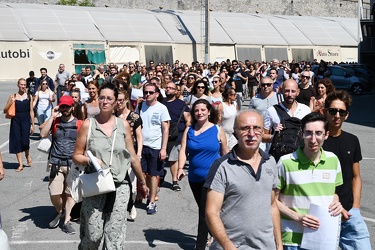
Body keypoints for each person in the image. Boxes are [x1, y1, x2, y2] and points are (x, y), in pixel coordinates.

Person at [73, 84, 148, 249]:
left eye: (109, 98)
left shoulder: (123, 126)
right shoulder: (88, 124)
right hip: (95, 184)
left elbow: (133, 157)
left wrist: (142, 182)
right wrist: (88, 160)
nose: (104, 101)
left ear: (116, 103)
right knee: (93, 235)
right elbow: (76, 155)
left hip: (120, 185)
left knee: (113, 235)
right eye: (102, 98)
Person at [205, 110, 282, 249]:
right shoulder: (222, 166)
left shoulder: (270, 162)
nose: (251, 134)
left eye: (257, 128)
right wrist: (228, 247)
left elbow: (272, 206)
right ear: (235, 131)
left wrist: (279, 244)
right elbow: (211, 213)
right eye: (245, 128)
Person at [276, 112, 344, 249]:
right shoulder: (285, 162)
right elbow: (271, 200)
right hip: (293, 240)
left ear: (326, 135)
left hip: (323, 238)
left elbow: (332, 193)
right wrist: (297, 217)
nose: (313, 139)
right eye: (308, 133)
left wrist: (336, 202)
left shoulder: (333, 160)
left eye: (318, 133)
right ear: (301, 134)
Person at [323, 90, 372, 249]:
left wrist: (356, 207)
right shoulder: (317, 140)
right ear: (326, 112)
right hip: (324, 213)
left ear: (346, 115)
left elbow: (356, 177)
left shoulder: (352, 140)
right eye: (333, 111)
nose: (337, 115)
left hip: (350, 212)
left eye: (341, 112)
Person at [178, 99, 228, 250]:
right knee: (207, 210)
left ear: (209, 112)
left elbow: (225, 153)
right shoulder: (189, 130)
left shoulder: (217, 130)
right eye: (196, 110)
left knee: (204, 212)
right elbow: (183, 150)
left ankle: (199, 246)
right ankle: (215, 233)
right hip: (194, 178)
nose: (200, 113)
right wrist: (180, 168)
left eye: (203, 110)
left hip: (213, 178)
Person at [40, 95, 83, 235]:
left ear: (72, 107)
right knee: (54, 193)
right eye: (62, 106)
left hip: (73, 164)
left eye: (67, 106)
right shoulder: (55, 122)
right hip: (56, 163)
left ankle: (66, 221)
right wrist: (52, 116)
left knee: (70, 194)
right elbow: (42, 133)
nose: (64, 109)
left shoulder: (79, 124)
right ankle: (60, 211)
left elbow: (86, 143)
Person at [136, 82, 170, 215]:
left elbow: (165, 129)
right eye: (145, 92)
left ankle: (151, 202)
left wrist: (164, 148)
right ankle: (149, 191)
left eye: (150, 92)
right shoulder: (140, 106)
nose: (147, 95)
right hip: (142, 146)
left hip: (156, 146)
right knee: (143, 173)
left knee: (154, 174)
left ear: (156, 94)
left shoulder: (162, 108)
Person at [115, 89, 143, 220]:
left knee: (131, 184)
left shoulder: (134, 117)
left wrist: (139, 154)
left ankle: (131, 206)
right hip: (116, 154)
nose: (118, 103)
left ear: (126, 100)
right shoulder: (112, 115)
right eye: (117, 100)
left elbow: (139, 137)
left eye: (121, 100)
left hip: (131, 154)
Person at [162, 82, 191, 191]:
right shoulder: (160, 102)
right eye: (167, 87)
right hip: (161, 135)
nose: (168, 89)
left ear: (176, 91)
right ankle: (161, 174)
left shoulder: (181, 104)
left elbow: (188, 120)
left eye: (171, 88)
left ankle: (174, 181)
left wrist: (186, 135)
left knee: (173, 159)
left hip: (176, 136)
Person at [3, 78, 34, 172]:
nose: (23, 86)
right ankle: (20, 164)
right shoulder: (13, 96)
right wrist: (11, 102)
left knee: (25, 141)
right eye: (21, 84)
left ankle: (27, 154)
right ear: (18, 85)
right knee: (17, 141)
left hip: (25, 120)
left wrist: (33, 124)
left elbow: (31, 111)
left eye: (24, 85)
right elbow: (5, 110)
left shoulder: (29, 96)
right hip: (16, 120)